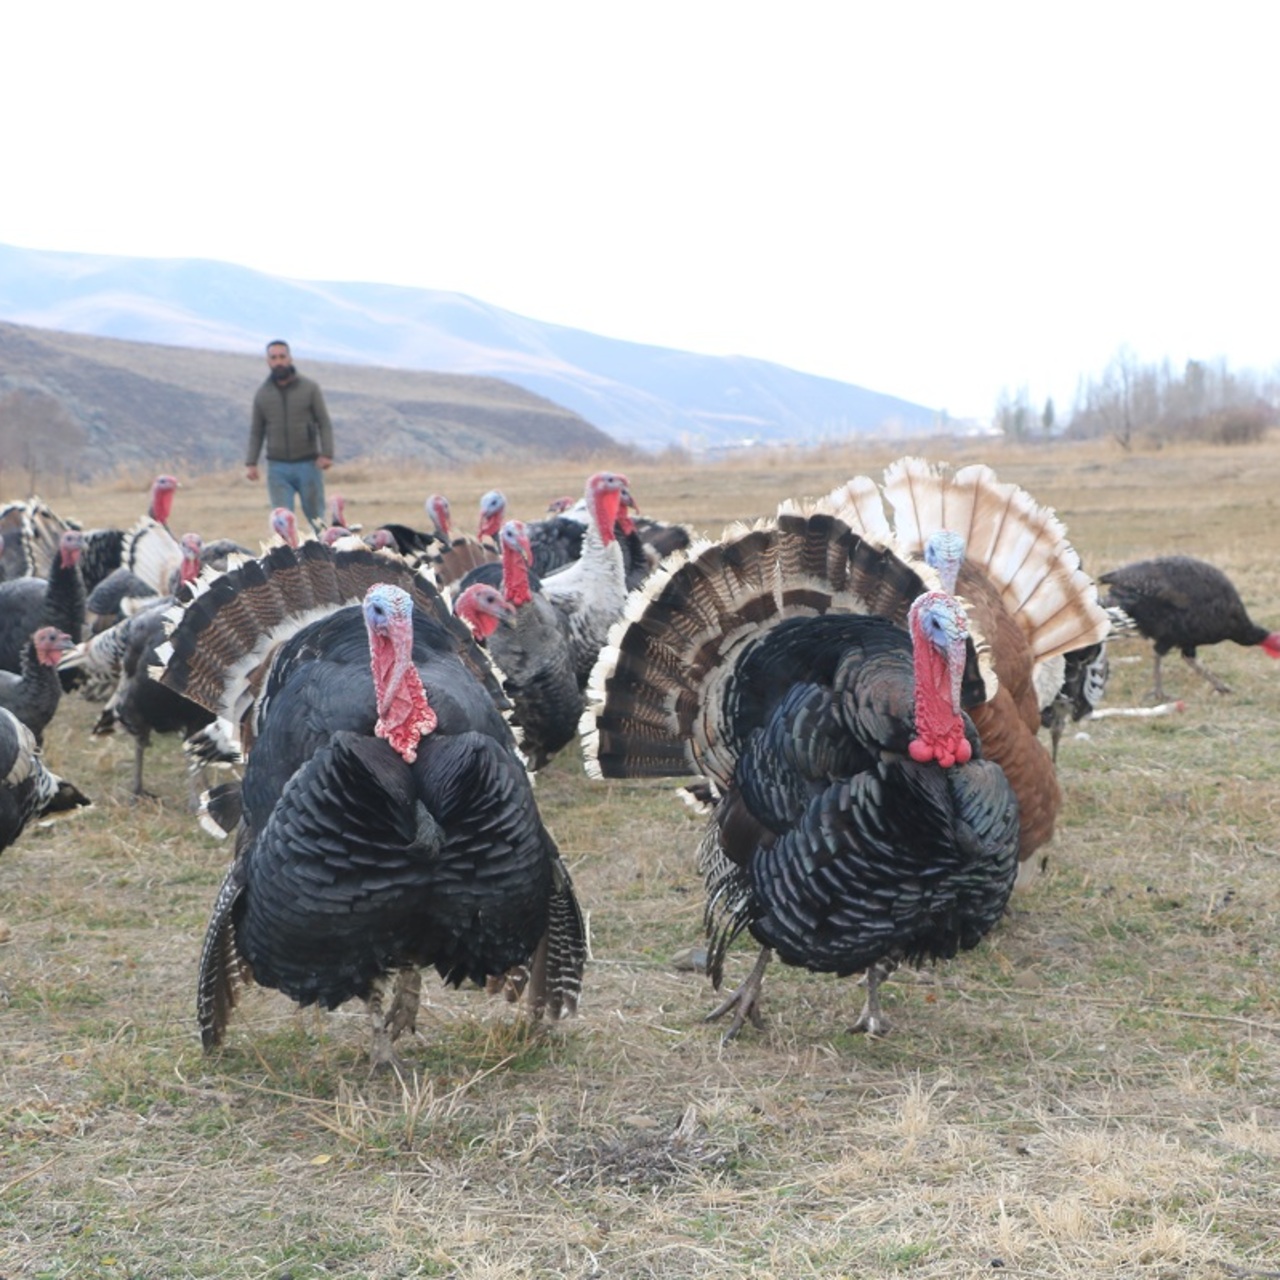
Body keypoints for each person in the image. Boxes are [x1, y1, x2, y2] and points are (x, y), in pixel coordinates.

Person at [244, 340, 334, 526]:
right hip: (278, 468)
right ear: (268, 361)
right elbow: (256, 431)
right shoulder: (262, 394)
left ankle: (326, 554)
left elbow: (324, 422)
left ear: (290, 358)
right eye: (273, 357)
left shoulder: (309, 388)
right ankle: (287, 555)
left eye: (282, 357)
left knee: (318, 521)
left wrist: (327, 453)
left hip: (308, 465)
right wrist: (251, 462)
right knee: (282, 521)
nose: (278, 362)